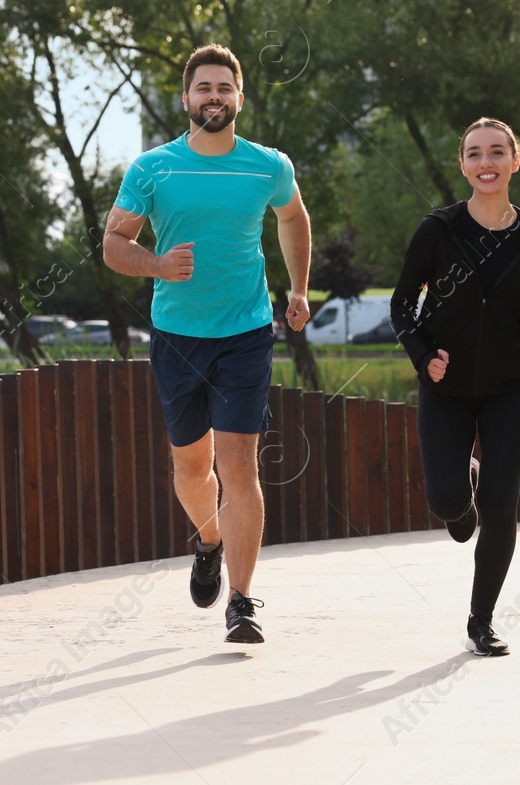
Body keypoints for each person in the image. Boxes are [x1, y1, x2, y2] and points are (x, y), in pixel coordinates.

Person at [103, 44, 311, 644]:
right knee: (192, 467)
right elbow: (115, 245)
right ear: (187, 99)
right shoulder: (153, 168)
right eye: (204, 88)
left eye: (225, 88)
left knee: (238, 466)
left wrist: (298, 288)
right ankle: (209, 540)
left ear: (240, 99)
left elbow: (293, 218)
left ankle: (243, 603)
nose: (214, 97)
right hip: (177, 337)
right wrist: (158, 265)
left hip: (246, 334)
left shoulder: (268, 165)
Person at [389, 117, 520, 656]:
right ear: (462, 165)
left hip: (511, 389)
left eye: (496, 153)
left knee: (501, 505)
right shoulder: (437, 232)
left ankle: (480, 621)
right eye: (474, 154)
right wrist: (423, 357)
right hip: (447, 388)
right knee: (446, 503)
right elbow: (401, 306)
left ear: (515, 161)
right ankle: (460, 494)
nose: (485, 163)